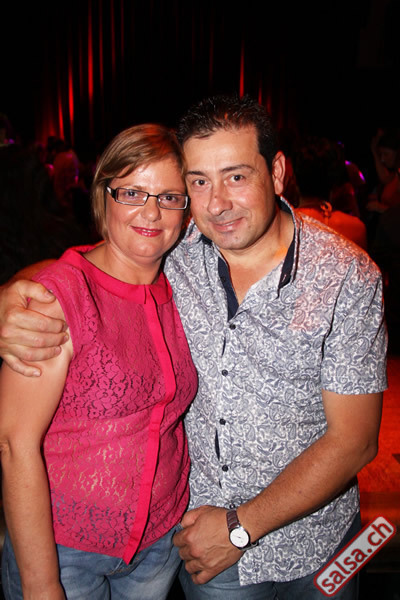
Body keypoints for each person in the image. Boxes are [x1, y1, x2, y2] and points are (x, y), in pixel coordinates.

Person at [0, 95, 387, 599]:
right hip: (208, 555)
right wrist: (12, 296)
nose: (217, 203)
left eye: (236, 176)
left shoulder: (347, 277)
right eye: (199, 182)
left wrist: (239, 528)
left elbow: (355, 441)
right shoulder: (178, 245)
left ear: (276, 172)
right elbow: (94, 266)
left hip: (315, 544)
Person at [0, 124, 197, 599]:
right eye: (132, 192)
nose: (151, 212)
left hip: (159, 544)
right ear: (102, 194)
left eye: (170, 197)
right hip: (63, 551)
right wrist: (42, 585)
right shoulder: (58, 298)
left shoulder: (185, 286)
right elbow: (13, 443)